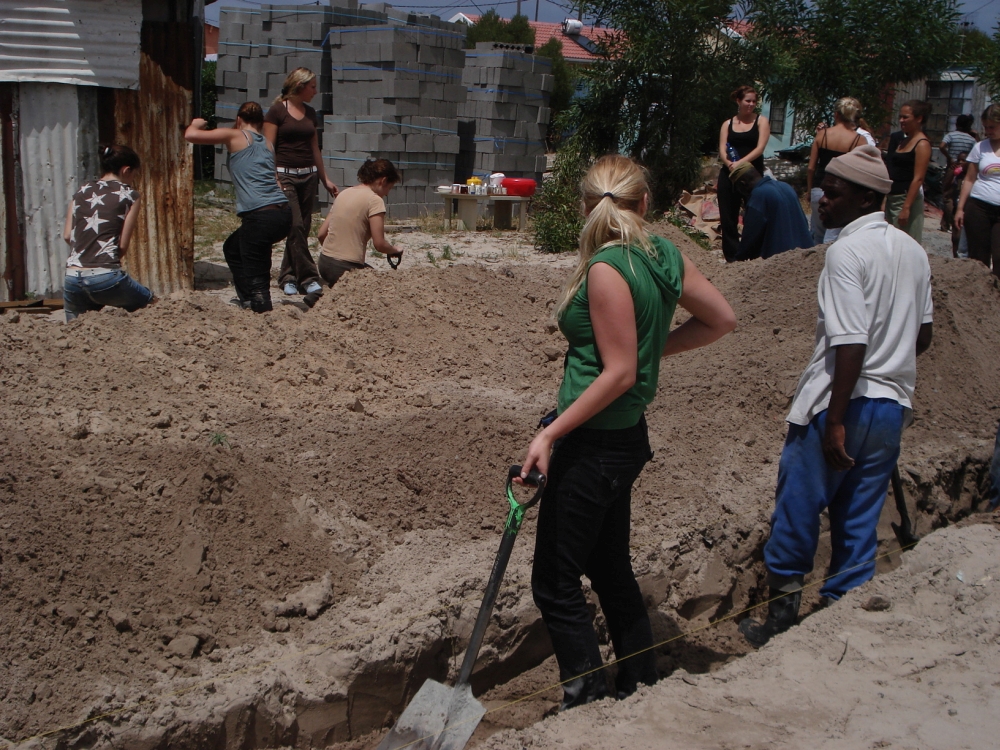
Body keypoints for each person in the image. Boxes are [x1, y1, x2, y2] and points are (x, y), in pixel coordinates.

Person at [517, 155, 737, 709]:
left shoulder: (608, 269)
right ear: (645, 204)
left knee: (555, 583)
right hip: (623, 440)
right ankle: (640, 681)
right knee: (609, 565)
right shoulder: (664, 253)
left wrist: (549, 435)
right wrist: (651, 348)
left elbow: (617, 373)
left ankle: (586, 701)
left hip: (592, 446)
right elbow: (721, 319)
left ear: (585, 207)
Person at [739, 146, 933, 649]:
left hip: (837, 404)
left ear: (866, 197)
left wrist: (838, 419)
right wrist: (893, 353)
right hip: (892, 406)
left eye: (834, 190)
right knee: (860, 514)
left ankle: (780, 620)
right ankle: (839, 616)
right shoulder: (913, 252)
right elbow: (924, 335)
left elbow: (850, 342)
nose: (821, 198)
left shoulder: (845, 253)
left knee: (800, 508)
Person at [185, 103, 291, 313]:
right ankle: (248, 299)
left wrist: (196, 123)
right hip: (283, 214)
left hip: (260, 216)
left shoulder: (235, 135)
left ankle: (261, 309)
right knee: (233, 248)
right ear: (261, 123)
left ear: (239, 119)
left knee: (257, 272)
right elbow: (275, 179)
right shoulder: (267, 144)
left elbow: (191, 136)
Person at [264, 68, 339, 299]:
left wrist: (324, 177)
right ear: (299, 86)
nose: (316, 91)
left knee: (301, 229)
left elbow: (314, 146)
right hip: (285, 175)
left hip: (309, 176)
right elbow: (268, 146)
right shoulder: (277, 111)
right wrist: (274, 177)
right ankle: (309, 277)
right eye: (313, 86)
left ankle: (288, 277)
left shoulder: (310, 112)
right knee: (295, 225)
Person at [62, 144, 154, 322]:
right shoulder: (130, 195)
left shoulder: (82, 190)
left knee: (75, 334)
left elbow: (67, 236)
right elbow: (122, 246)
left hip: (72, 278)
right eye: (134, 174)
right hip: (106, 276)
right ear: (126, 170)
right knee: (151, 305)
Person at [316, 158, 403, 288]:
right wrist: (394, 250)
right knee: (381, 288)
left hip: (324, 263)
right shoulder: (374, 200)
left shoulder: (344, 193)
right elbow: (379, 244)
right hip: (346, 266)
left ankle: (322, 294)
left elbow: (321, 234)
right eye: (389, 188)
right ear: (383, 181)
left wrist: (334, 257)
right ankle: (318, 296)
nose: (387, 193)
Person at [717, 85, 770, 262]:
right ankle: (732, 256)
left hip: (752, 175)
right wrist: (729, 163)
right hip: (730, 174)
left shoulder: (761, 121)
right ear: (739, 101)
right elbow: (723, 148)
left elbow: (760, 148)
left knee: (753, 214)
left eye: (754, 101)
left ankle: (752, 252)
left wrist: (742, 162)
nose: (751, 104)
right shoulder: (728, 123)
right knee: (728, 217)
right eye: (748, 100)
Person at [807, 98, 868, 245]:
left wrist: (809, 190)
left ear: (836, 115)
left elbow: (811, 167)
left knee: (817, 233)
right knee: (833, 236)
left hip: (818, 187)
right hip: (841, 192)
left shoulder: (822, 135)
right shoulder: (859, 141)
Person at [730, 163, 812, 261]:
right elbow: (804, 221)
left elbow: (751, 234)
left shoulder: (758, 195)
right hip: (806, 254)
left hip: (781, 260)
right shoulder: (786, 186)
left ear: (743, 184)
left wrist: (739, 258)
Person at [955, 104, 1000, 276]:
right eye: (986, 127)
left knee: (998, 256)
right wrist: (960, 208)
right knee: (978, 256)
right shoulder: (980, 147)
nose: (988, 131)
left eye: (992, 127)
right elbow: (969, 179)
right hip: (979, 205)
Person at [884, 100, 932, 243]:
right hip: (893, 197)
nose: (901, 121)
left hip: (905, 198)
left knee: (905, 242)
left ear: (919, 118)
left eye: (905, 117)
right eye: (900, 117)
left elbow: (918, 178)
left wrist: (906, 207)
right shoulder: (902, 140)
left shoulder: (922, 144)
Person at [939, 113, 978, 232]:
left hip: (952, 167)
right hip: (965, 169)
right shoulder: (971, 139)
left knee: (947, 196)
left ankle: (949, 221)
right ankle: (946, 223)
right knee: (959, 195)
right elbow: (977, 152)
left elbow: (941, 146)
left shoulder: (951, 135)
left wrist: (950, 158)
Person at [942, 150, 969, 257]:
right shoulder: (955, 175)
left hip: (968, 207)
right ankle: (955, 256)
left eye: (964, 160)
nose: (961, 162)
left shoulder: (971, 175)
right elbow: (945, 188)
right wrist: (951, 173)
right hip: (955, 206)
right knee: (956, 235)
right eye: (959, 160)